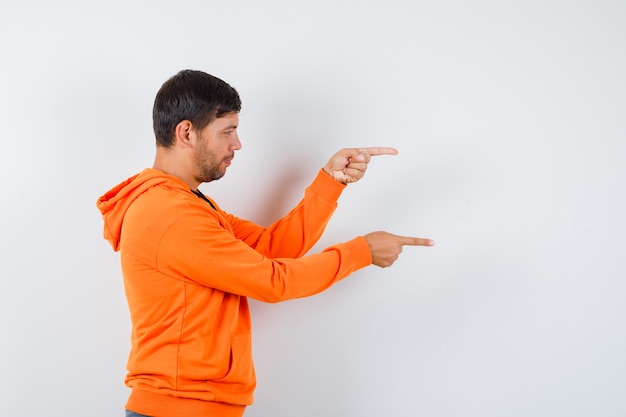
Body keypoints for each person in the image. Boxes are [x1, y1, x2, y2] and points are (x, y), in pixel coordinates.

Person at [97, 69, 434, 417]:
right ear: (186, 133)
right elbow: (274, 281)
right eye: (227, 132)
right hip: (180, 409)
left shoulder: (190, 205)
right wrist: (361, 251)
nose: (237, 144)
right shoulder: (169, 214)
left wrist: (330, 182)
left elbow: (271, 248)